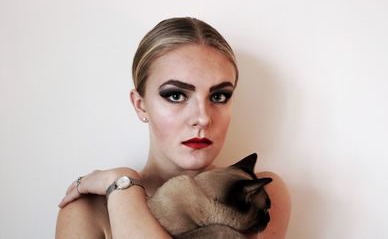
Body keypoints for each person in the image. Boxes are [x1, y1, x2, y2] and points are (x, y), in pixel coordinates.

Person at [56, 17, 291, 239]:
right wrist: (122, 183)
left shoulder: (261, 195)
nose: (202, 118)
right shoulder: (87, 210)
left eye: (219, 96)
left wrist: (121, 185)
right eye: (176, 95)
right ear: (141, 105)